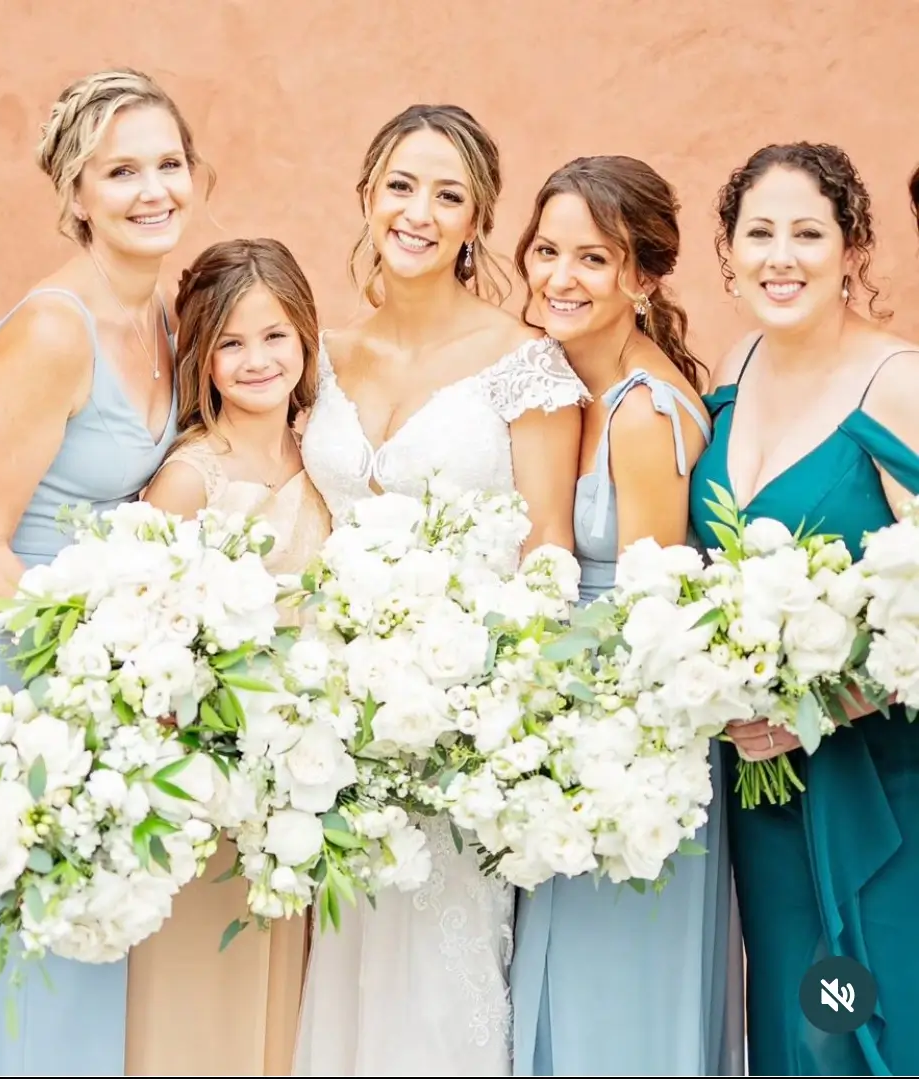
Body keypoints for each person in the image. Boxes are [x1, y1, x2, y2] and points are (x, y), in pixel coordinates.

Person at [294, 103, 587, 1076]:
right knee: (346, 972)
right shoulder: (319, 354)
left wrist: (506, 712)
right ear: (367, 198)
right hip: (331, 727)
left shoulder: (523, 363)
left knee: (436, 983)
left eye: (448, 195)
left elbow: (548, 546)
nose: (419, 211)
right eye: (402, 186)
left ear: (478, 221)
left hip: (461, 721)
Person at [0, 68, 200, 1076]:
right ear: (74, 192)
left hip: (98, 669)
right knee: (24, 981)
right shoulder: (56, 328)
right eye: (120, 170)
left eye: (168, 164)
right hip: (15, 670)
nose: (151, 190)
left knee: (89, 953)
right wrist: (79, 661)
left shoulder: (168, 318)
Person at [507, 155, 744, 1077]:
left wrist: (573, 753)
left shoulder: (642, 414)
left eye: (593, 259)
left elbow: (653, 623)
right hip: (567, 727)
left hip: (630, 755)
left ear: (641, 277)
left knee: (611, 1011)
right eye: (546, 250)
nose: (559, 277)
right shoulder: (556, 375)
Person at [691, 142, 919, 1075]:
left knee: (876, 1014)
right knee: (799, 1017)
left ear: (852, 250)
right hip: (763, 790)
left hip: (877, 786)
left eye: (807, 234)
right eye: (759, 234)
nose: (780, 258)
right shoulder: (734, 363)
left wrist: (819, 704)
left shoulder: (897, 383)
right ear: (729, 251)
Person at [134, 236, 330, 1076]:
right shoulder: (190, 476)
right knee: (201, 1003)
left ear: (306, 339)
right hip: (211, 780)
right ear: (200, 355)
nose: (257, 360)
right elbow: (145, 632)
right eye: (231, 343)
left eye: (275, 335)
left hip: (305, 777)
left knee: (284, 1009)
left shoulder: (322, 454)